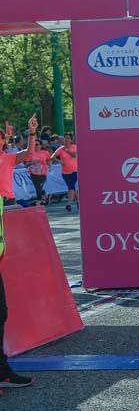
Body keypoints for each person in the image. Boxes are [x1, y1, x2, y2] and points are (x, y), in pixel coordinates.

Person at [0, 115, 38, 388]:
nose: (1, 141)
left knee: (2, 313)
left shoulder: (7, 157)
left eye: (2, 138)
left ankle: (3, 370)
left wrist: (31, 133)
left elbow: (29, 154)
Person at [49, 133, 78, 212]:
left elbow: (74, 155)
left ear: (71, 140)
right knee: (71, 187)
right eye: (65, 138)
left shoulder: (74, 147)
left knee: (71, 187)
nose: (66, 140)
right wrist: (60, 161)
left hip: (74, 171)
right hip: (65, 172)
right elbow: (52, 157)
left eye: (68, 138)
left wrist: (66, 150)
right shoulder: (60, 148)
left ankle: (69, 204)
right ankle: (79, 201)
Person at [27, 140, 50, 206]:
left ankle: (38, 203)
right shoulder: (30, 153)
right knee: (38, 188)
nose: (35, 146)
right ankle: (44, 193)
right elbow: (26, 163)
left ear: (40, 146)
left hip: (42, 174)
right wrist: (32, 162)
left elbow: (49, 161)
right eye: (34, 145)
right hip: (33, 173)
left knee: (38, 188)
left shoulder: (45, 153)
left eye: (37, 144)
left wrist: (45, 162)